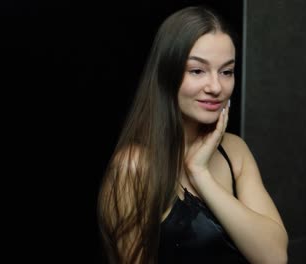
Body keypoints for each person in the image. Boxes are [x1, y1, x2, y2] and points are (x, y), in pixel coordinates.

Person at [97, 5, 288, 264]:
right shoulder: (134, 168)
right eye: (197, 71)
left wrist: (200, 173)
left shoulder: (234, 151)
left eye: (226, 71)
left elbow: (274, 257)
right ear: (167, 75)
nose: (216, 87)